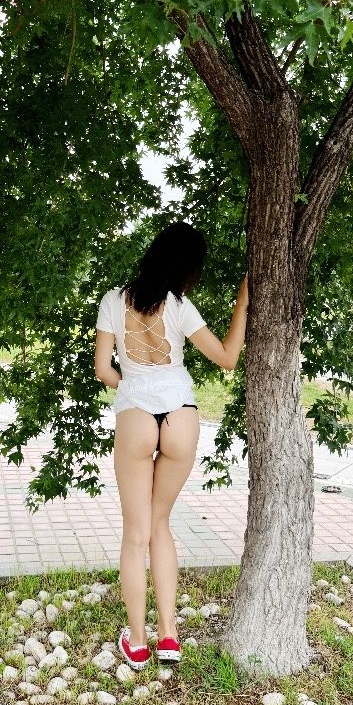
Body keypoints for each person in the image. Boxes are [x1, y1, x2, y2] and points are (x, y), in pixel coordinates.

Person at [94, 221, 249, 670]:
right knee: (161, 525)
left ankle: (138, 643)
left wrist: (132, 389)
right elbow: (227, 358)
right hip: (181, 416)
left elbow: (103, 370)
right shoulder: (180, 306)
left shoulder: (112, 300)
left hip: (136, 418)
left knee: (136, 533)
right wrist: (242, 304)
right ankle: (169, 637)